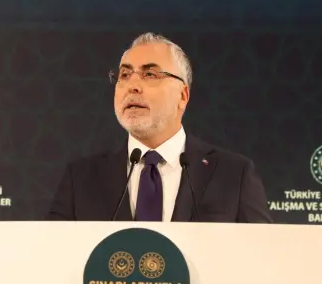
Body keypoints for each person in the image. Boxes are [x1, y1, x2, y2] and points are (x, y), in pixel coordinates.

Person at [46, 32, 273, 223]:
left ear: (182, 96)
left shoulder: (234, 174)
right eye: (125, 75)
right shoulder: (81, 179)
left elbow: (262, 256)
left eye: (150, 74)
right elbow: (52, 256)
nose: (133, 86)